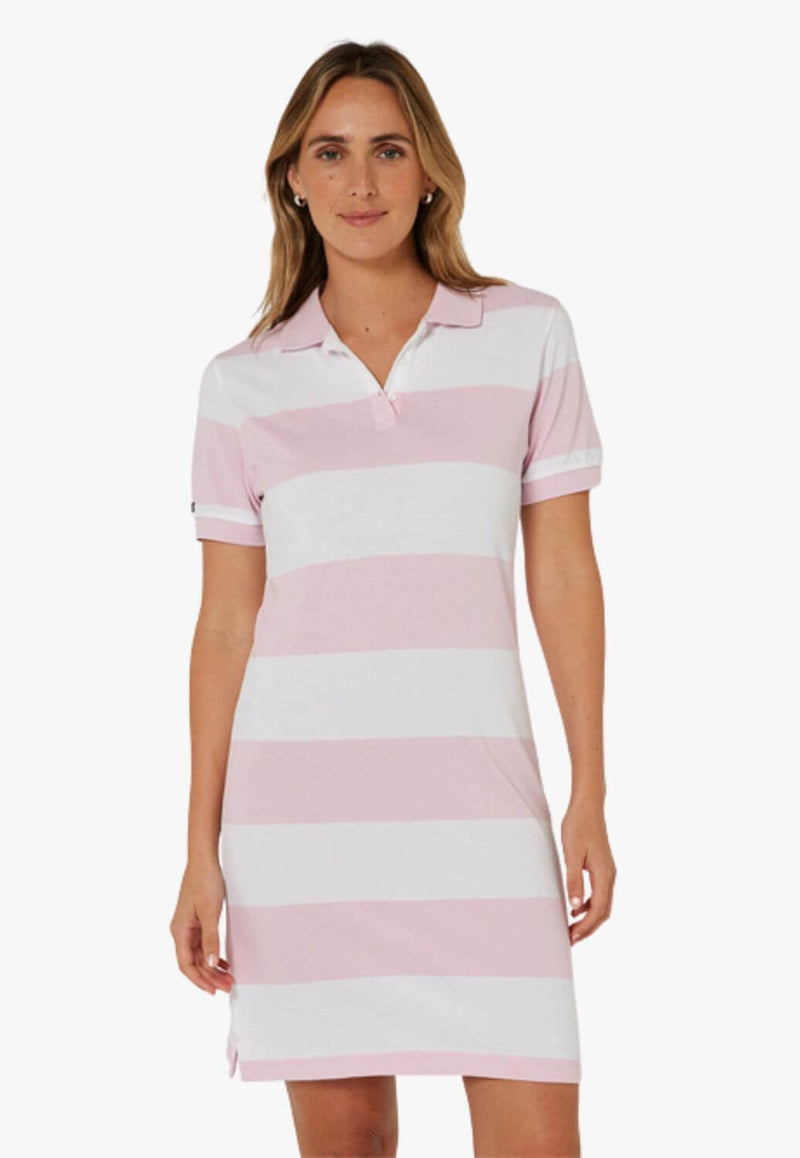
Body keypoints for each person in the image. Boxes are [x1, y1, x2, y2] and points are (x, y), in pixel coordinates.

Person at [170, 39, 615, 1158]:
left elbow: (564, 571)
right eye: (329, 153)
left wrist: (589, 792)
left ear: (430, 174)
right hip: (302, 830)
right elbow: (226, 624)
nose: (359, 181)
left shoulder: (527, 334)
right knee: (348, 1142)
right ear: (292, 178)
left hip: (483, 817)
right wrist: (199, 847)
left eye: (387, 150)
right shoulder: (241, 383)